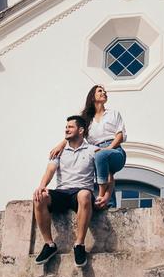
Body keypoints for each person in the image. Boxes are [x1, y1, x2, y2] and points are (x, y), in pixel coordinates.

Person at [33, 115, 97, 267]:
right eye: (66, 127)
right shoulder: (59, 151)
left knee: (84, 194)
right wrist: (42, 185)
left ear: (80, 130)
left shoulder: (93, 150)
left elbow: (105, 175)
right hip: (62, 192)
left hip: (81, 193)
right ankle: (49, 245)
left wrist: (105, 196)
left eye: (70, 127)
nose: (67, 129)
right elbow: (50, 170)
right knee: (39, 197)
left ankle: (79, 245)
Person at [51, 85, 126, 210]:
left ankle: (101, 196)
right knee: (106, 172)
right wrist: (60, 145)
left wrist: (109, 149)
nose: (104, 93)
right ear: (92, 97)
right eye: (100, 91)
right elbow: (74, 133)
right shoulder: (86, 119)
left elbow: (120, 135)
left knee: (101, 156)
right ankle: (109, 204)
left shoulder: (113, 114)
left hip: (115, 150)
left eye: (105, 91)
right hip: (96, 149)